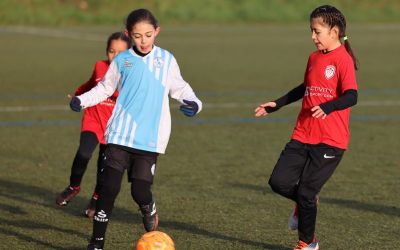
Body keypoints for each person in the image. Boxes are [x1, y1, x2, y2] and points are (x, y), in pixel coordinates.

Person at [69, 9, 203, 250]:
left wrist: (194, 103)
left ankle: (148, 207)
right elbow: (104, 89)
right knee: (108, 189)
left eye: (148, 35)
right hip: (119, 135)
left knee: (140, 191)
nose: (143, 41)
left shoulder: (167, 60)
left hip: (149, 140)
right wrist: (81, 100)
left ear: (157, 32)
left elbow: (180, 88)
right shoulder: (122, 60)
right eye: (138, 36)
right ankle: (97, 243)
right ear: (128, 34)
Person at [254, 5, 358, 250]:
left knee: (307, 191)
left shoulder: (343, 59)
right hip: (303, 133)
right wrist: (276, 104)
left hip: (331, 140)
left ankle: (308, 243)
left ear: (334, 31)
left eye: (316, 31)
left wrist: (330, 107)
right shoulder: (313, 57)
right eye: (311, 31)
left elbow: (352, 95)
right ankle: (305, 201)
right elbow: (305, 88)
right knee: (278, 182)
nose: (312, 36)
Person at [56, 32, 131, 218]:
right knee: (83, 152)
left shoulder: (133, 73)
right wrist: (78, 96)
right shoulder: (100, 66)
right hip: (94, 118)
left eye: (121, 52)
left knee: (104, 167)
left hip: (114, 126)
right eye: (111, 51)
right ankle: (73, 187)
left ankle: (96, 199)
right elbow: (91, 84)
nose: (115, 56)